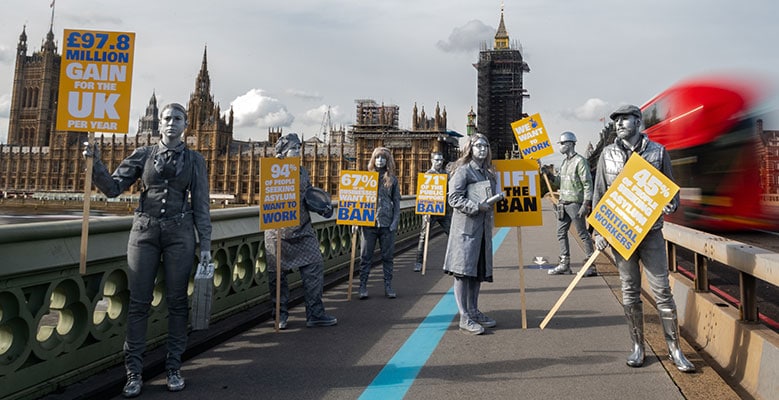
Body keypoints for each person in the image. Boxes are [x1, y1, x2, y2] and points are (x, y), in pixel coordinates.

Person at [83, 103, 212, 397]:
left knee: (178, 301)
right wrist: (95, 164)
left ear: (186, 124)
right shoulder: (142, 154)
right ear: (159, 123)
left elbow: (202, 206)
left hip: (180, 232)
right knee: (139, 302)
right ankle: (133, 372)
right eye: (167, 118)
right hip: (144, 232)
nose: (171, 123)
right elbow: (114, 188)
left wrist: (205, 244)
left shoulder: (195, 160)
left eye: (177, 119)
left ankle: (174, 367)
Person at [592, 104, 695, 372]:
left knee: (661, 290)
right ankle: (638, 346)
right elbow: (599, 194)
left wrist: (671, 205)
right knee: (629, 289)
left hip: (650, 234)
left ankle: (675, 349)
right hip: (620, 234)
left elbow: (672, 192)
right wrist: (597, 231)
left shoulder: (658, 152)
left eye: (625, 120)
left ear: (639, 122)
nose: (619, 124)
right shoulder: (607, 154)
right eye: (616, 121)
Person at [264, 133, 338, 330]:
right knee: (277, 277)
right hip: (277, 232)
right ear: (282, 152)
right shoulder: (270, 170)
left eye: (299, 148)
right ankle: (280, 315)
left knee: (315, 267)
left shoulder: (303, 172)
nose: (298, 152)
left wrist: (323, 207)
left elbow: (309, 196)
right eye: (294, 148)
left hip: (303, 230)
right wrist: (277, 167)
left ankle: (315, 313)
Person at [442, 134, 498, 335]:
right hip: (465, 230)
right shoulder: (463, 171)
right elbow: (453, 198)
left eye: (485, 145)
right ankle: (464, 317)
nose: (482, 149)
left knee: (477, 273)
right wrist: (476, 206)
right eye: (478, 146)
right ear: (470, 149)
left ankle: (474, 310)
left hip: (482, 230)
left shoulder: (488, 173)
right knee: (462, 273)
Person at [542, 131, 596, 276]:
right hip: (563, 203)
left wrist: (586, 203)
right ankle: (564, 264)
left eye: (563, 143)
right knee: (561, 233)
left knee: (582, 234)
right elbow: (559, 181)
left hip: (575, 204)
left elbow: (587, 184)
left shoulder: (580, 161)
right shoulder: (565, 162)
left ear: (571, 144)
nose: (560, 146)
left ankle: (590, 266)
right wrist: (549, 175)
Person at [358, 147, 401, 299]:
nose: (380, 160)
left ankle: (388, 286)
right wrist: (355, 220)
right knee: (365, 256)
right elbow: (358, 200)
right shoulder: (365, 178)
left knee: (388, 257)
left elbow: (396, 202)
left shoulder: (392, 179)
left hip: (386, 223)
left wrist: (395, 221)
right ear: (373, 159)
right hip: (368, 223)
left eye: (383, 158)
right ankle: (362, 286)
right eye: (377, 157)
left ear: (387, 160)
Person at [414, 152, 452, 272]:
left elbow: (451, 189)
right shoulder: (428, 175)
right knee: (424, 237)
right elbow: (423, 194)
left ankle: (452, 262)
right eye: (437, 160)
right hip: (431, 211)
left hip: (444, 210)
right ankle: (419, 262)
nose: (439, 162)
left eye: (441, 160)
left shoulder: (446, 174)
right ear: (431, 161)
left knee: (452, 235)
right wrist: (425, 213)